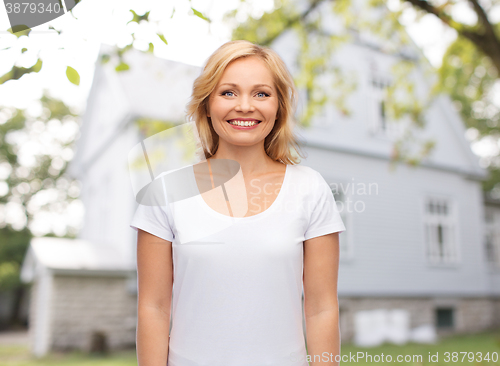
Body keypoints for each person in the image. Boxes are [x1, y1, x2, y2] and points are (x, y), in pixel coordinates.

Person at [130, 40, 346, 366]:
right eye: (228, 92)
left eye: (261, 93)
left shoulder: (310, 188)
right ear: (206, 105)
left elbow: (321, 308)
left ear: (279, 108)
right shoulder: (165, 193)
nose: (245, 106)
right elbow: (153, 308)